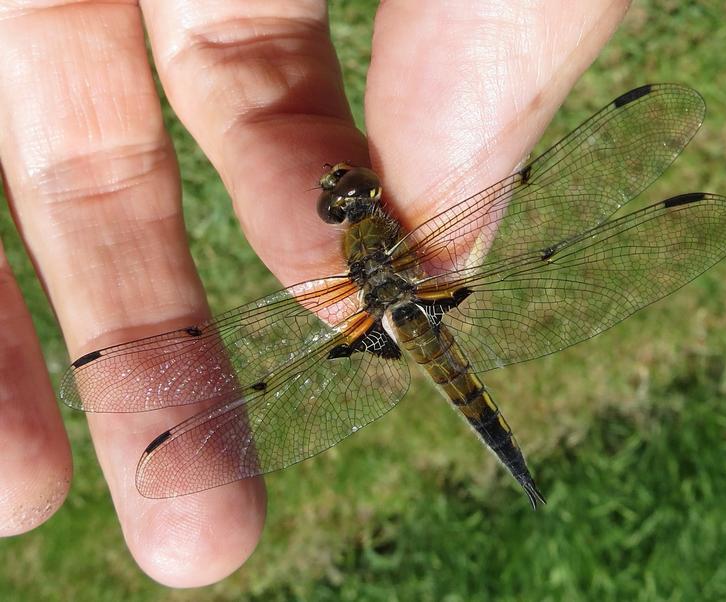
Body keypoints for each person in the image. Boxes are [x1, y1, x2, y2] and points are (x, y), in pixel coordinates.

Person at [0, 0, 630, 588]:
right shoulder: (403, 236)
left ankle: (515, 465)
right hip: (412, 306)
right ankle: (515, 461)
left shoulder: (352, 265)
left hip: (394, 309)